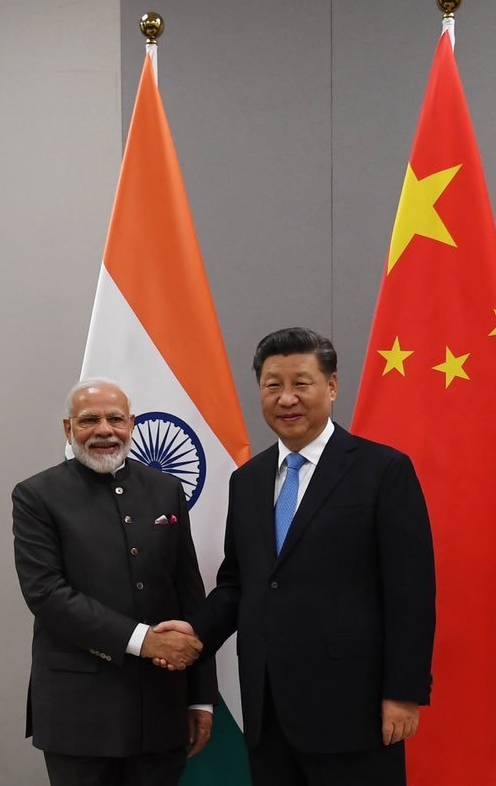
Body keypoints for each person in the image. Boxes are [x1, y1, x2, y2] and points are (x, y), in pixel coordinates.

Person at [154, 328, 436, 786]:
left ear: (331, 386)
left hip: (354, 711)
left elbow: (411, 594)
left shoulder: (383, 470)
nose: (287, 398)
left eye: (301, 383)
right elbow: (239, 584)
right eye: (273, 385)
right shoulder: (247, 481)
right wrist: (196, 630)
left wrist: (403, 693)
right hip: (268, 711)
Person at [12, 378, 216, 786]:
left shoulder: (166, 489)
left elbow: (189, 593)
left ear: (132, 424)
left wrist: (200, 696)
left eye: (115, 419)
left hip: (160, 708)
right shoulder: (37, 495)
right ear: (69, 430)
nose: (104, 429)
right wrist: (145, 640)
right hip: (79, 713)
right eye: (89, 419)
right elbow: (47, 594)